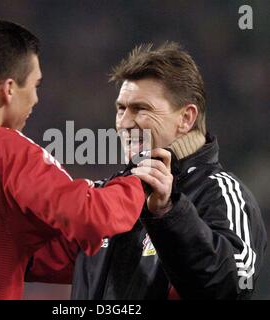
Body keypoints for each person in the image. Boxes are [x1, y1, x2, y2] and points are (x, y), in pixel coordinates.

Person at [0, 18, 154, 300]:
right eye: (35, 85)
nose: (35, 98)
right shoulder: (6, 151)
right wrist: (136, 181)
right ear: (8, 89)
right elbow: (90, 215)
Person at [71, 42, 267, 299]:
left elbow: (232, 285)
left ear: (186, 118)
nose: (125, 123)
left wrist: (168, 212)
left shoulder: (223, 195)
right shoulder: (112, 193)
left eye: (141, 108)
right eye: (121, 109)